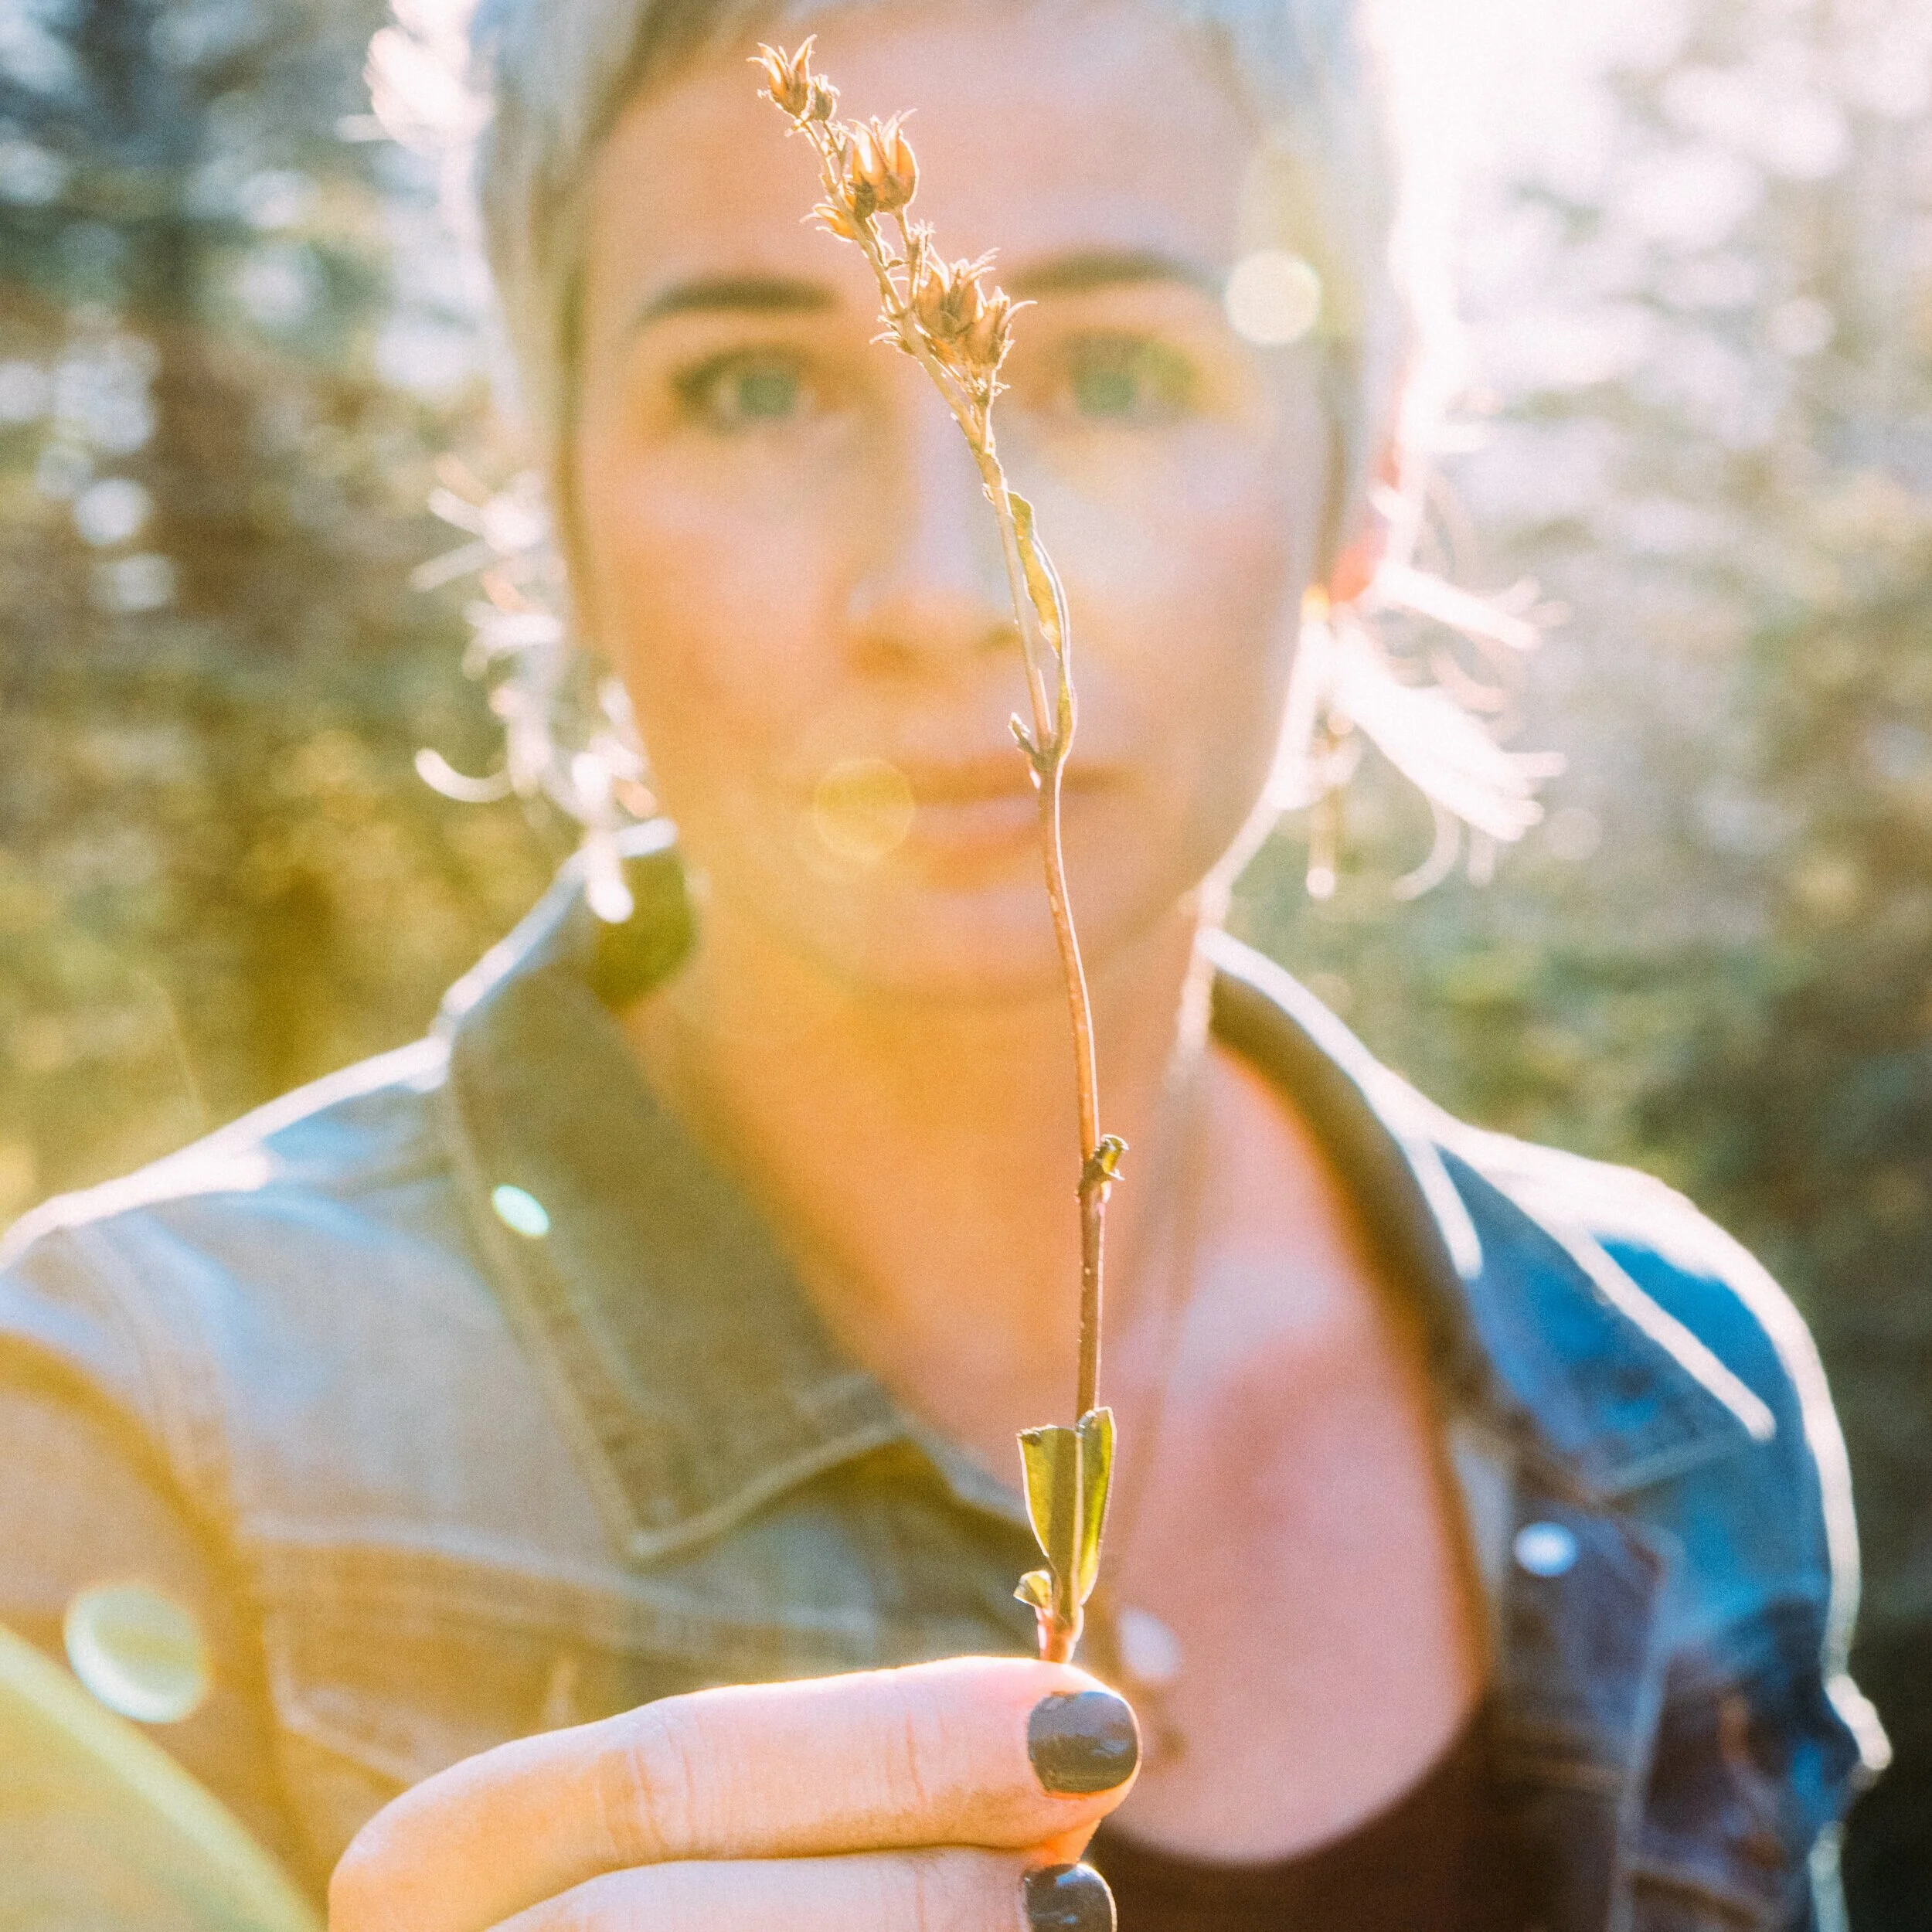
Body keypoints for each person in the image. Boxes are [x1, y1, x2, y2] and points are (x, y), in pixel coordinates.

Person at [0, 2, 1886, 1927]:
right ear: (551, 489)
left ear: (1370, 458)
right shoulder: (117, 1423)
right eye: (749, 386)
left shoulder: (1666, 1385)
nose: (942, 590)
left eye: (1117, 373)